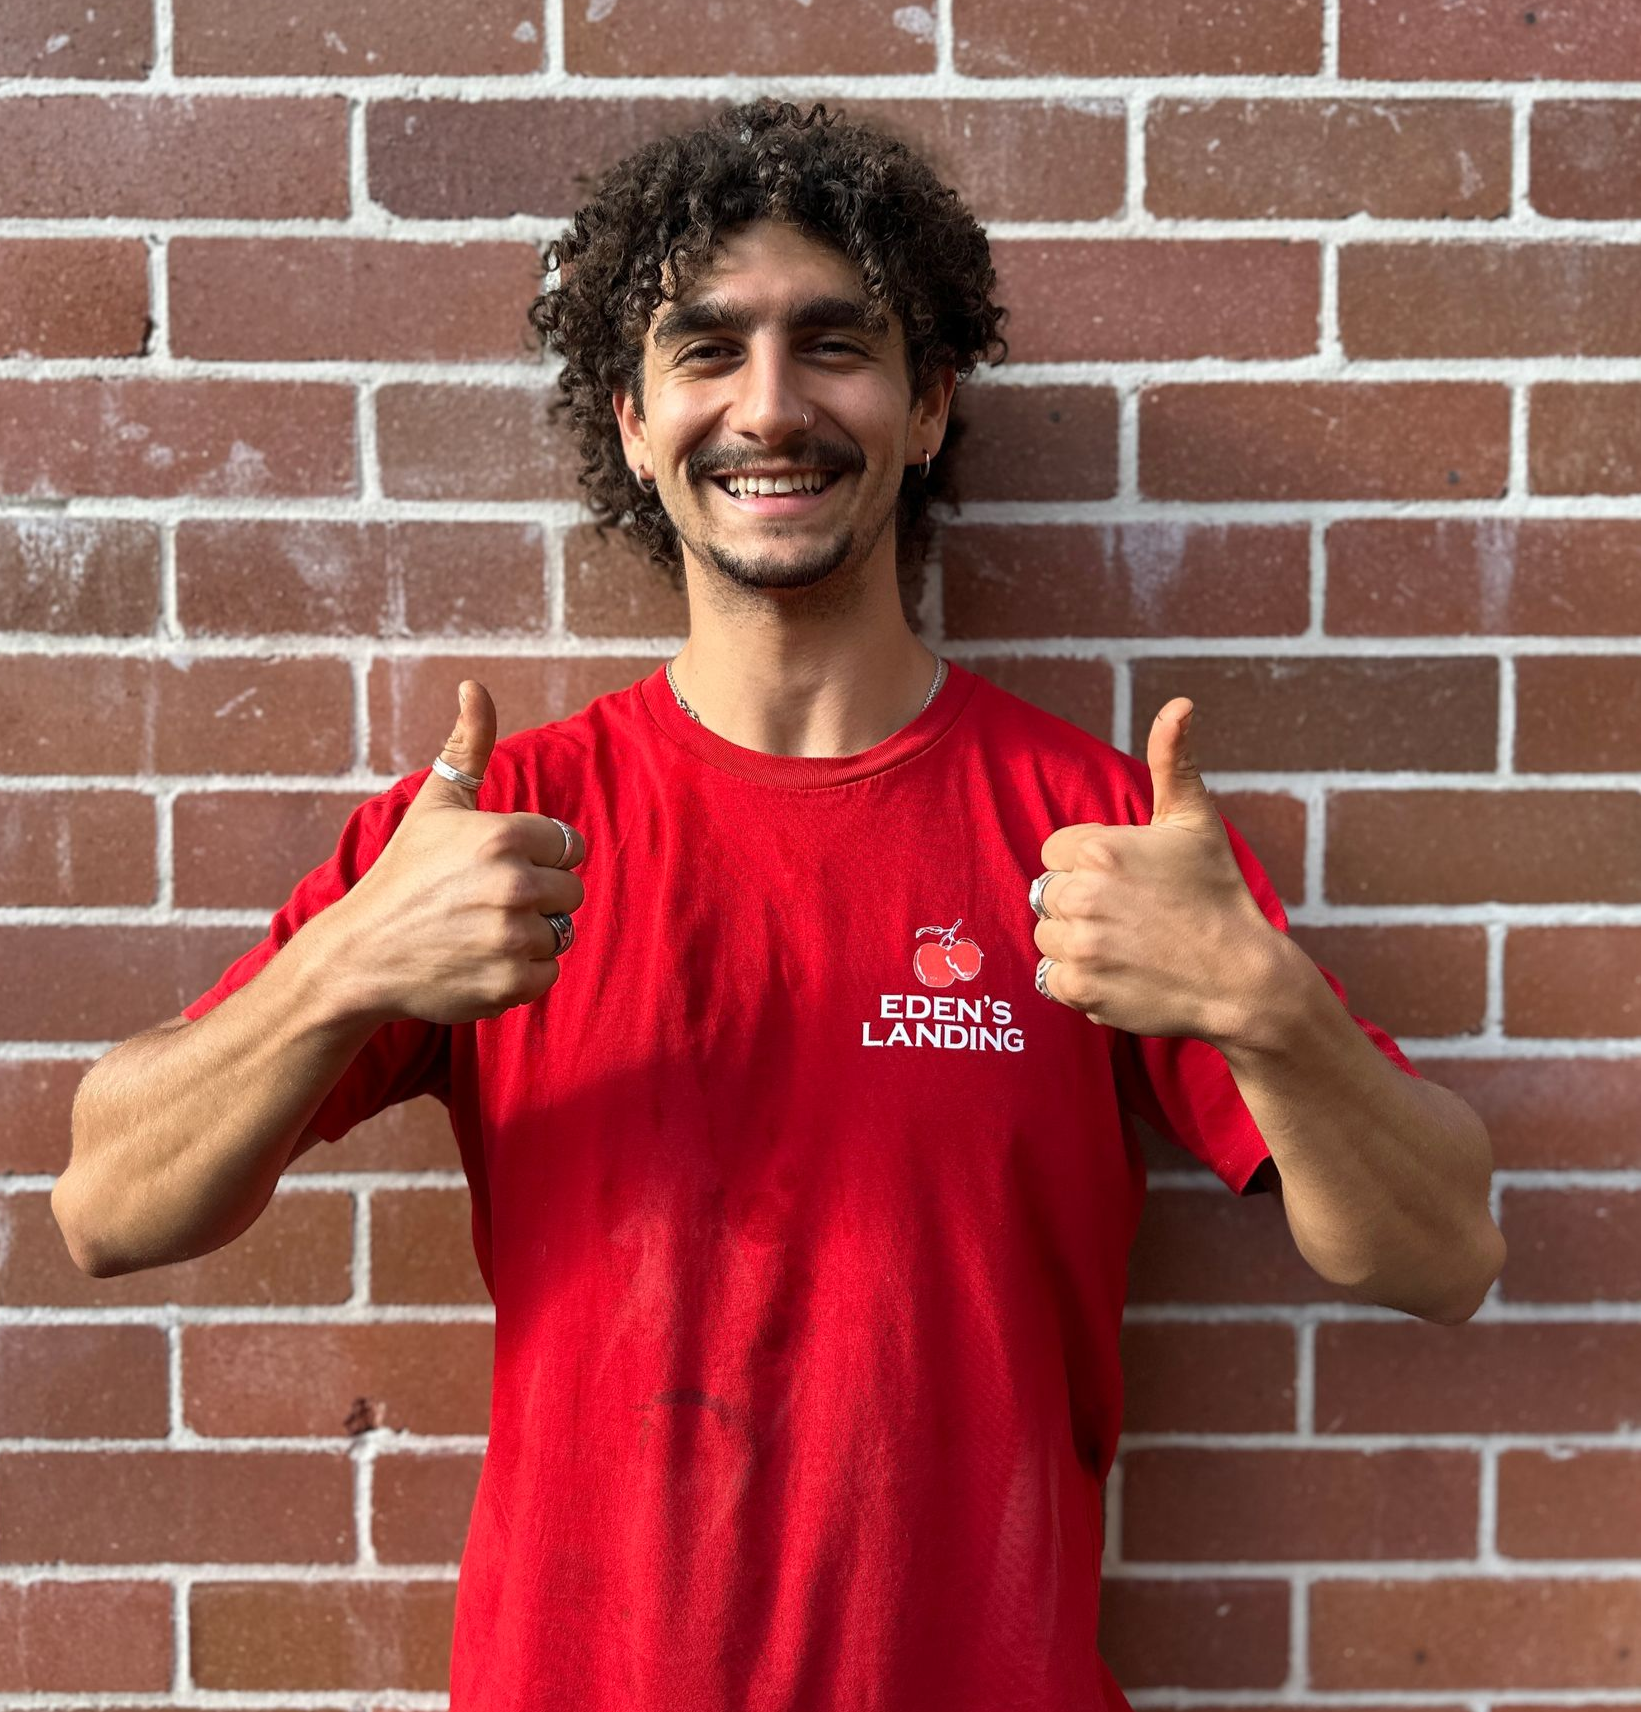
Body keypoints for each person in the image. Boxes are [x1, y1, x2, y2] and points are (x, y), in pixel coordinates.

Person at [55, 98, 1506, 1711]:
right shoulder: (484, 835)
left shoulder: (1098, 838)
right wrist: (345, 966)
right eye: (705, 348)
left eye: (834, 343)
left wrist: (1266, 1006)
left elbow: (1443, 1249)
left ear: (930, 402)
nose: (769, 406)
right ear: (627, 416)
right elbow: (107, 1205)